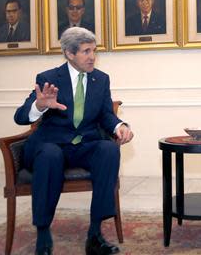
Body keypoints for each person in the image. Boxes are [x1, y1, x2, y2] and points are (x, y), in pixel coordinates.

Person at [14, 27, 133, 255]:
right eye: (86, 51)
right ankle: (42, 234)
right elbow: (20, 117)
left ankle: (95, 234)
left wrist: (120, 126)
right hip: (50, 145)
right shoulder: (48, 78)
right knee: (50, 155)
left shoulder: (100, 79)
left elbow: (106, 114)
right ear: (69, 53)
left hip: (83, 145)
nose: (92, 57)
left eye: (94, 51)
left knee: (109, 149)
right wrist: (39, 106)